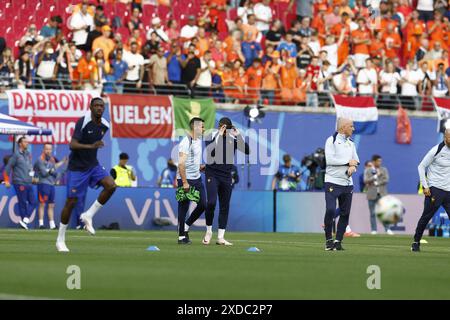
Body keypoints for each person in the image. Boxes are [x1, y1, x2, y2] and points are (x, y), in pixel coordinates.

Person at [56, 97, 116, 252]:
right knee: (71, 202)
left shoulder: (105, 125)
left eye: (101, 106)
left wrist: (94, 147)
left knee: (111, 185)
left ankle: (88, 215)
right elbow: (72, 145)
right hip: (76, 168)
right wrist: (91, 146)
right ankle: (60, 239)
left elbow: (95, 145)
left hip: (93, 165)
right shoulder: (82, 121)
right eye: (96, 105)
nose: (99, 108)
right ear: (90, 107)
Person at [203, 117, 250, 245]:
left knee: (225, 206)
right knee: (211, 202)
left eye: (224, 126)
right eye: (220, 125)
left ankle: (221, 237)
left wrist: (238, 135)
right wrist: (218, 135)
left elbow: (247, 150)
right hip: (212, 173)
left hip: (226, 176)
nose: (222, 128)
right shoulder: (211, 135)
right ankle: (208, 231)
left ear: (229, 127)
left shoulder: (232, 139)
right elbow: (210, 151)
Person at [323, 118, 359, 251]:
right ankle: (328, 240)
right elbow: (330, 160)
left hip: (347, 183)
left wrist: (352, 168)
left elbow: (356, 161)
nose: (353, 129)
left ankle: (338, 241)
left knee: (345, 213)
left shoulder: (351, 144)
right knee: (331, 210)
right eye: (351, 126)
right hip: (332, 181)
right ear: (343, 127)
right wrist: (348, 163)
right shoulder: (331, 140)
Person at [412, 128, 450, 252]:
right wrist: (425, 186)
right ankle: (416, 242)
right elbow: (421, 166)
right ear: (445, 137)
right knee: (426, 217)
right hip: (435, 190)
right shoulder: (436, 150)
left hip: (449, 191)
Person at [176, 117, 207, 245]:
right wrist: (184, 182)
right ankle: (181, 236)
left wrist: (199, 167)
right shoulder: (185, 142)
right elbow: (181, 164)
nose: (204, 129)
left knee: (203, 205)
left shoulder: (198, 140)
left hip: (197, 178)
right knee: (183, 207)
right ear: (195, 127)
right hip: (186, 178)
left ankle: (186, 225)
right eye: (202, 127)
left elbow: (191, 160)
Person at [4, 137, 38, 230]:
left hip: (29, 182)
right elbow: (7, 168)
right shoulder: (16, 155)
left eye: (27, 142)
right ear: (20, 144)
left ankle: (24, 221)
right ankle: (24, 222)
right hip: (19, 182)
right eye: (25, 142)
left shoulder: (28, 154)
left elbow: (29, 168)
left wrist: (32, 177)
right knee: (22, 203)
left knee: (34, 202)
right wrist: (7, 180)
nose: (27, 143)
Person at [34, 144, 67, 230]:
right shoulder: (39, 160)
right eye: (47, 149)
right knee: (42, 204)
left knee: (51, 205)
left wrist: (62, 162)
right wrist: (52, 172)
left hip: (51, 184)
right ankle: (41, 224)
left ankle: (52, 225)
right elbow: (44, 173)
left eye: (50, 149)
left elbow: (54, 169)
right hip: (43, 184)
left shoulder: (51, 160)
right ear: (43, 150)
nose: (48, 151)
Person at [364, 155, 393, 235]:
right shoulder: (368, 170)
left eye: (380, 161)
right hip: (371, 194)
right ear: (374, 161)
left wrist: (377, 183)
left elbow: (386, 179)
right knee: (372, 213)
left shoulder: (384, 169)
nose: (380, 162)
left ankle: (387, 229)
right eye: (378, 161)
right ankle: (374, 230)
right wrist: (376, 176)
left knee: (384, 212)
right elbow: (366, 180)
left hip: (382, 194)